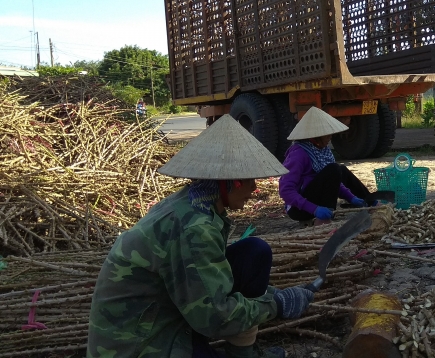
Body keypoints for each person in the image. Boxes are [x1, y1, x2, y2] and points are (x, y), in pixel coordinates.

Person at [88, 114, 315, 358]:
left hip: (167, 312)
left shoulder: (193, 202)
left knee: (254, 253)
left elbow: (209, 280)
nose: (254, 188)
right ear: (228, 182)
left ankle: (243, 352)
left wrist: (274, 295)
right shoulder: (194, 228)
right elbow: (215, 317)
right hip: (137, 343)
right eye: (248, 180)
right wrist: (277, 305)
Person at [279, 107, 375, 226]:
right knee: (334, 169)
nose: (330, 136)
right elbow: (285, 190)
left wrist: (351, 197)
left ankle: (369, 201)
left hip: (316, 201)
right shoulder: (299, 154)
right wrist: (314, 209)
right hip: (299, 209)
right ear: (316, 135)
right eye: (327, 133)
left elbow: (332, 181)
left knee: (340, 170)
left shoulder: (323, 151)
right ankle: (322, 221)